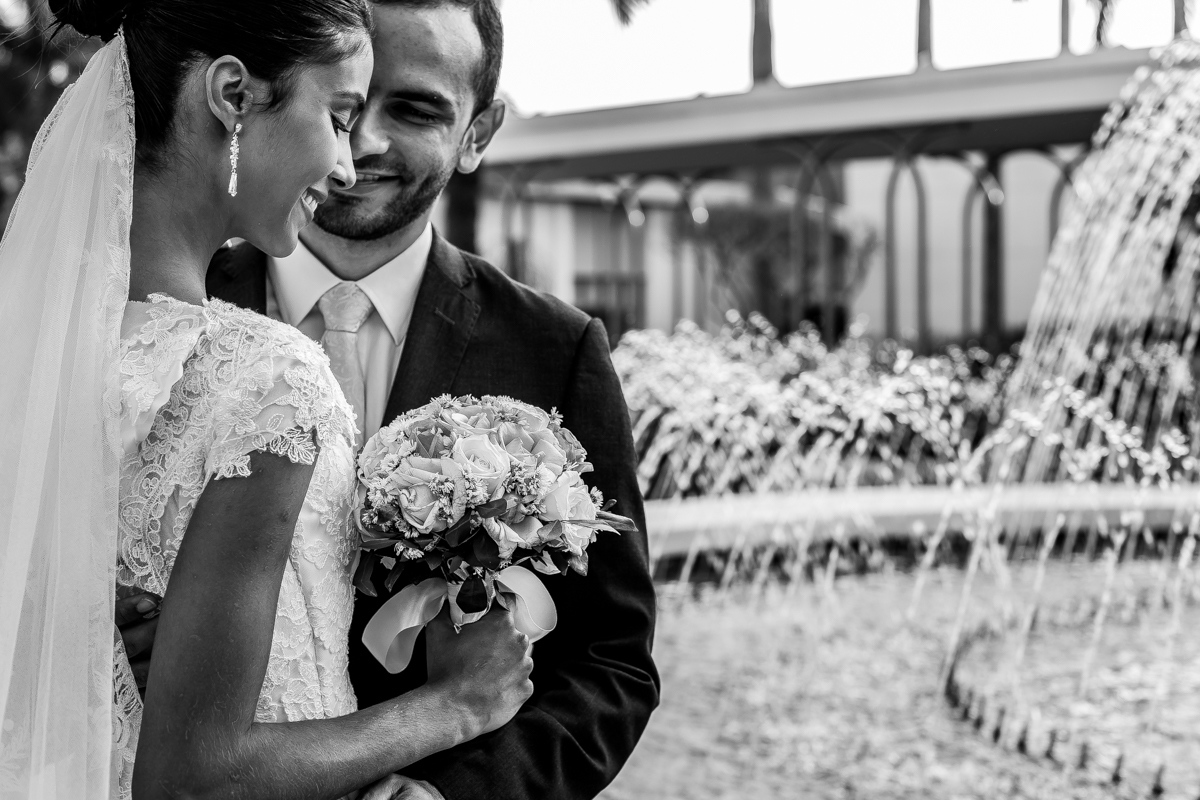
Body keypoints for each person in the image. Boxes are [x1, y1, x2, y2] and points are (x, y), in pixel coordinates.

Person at [119, 1, 661, 798]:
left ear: (478, 134)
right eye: (345, 106)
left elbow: (610, 664)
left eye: (410, 108)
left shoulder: (556, 350)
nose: (359, 146)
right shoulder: (160, 321)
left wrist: (452, 795)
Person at [0, 1, 533, 798]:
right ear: (233, 96)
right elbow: (195, 778)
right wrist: (452, 708)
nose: (350, 165)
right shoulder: (267, 377)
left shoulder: (33, 344)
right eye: (341, 115)